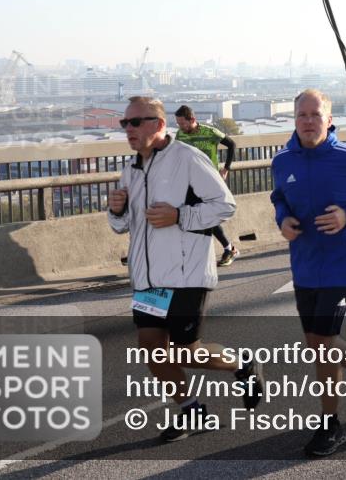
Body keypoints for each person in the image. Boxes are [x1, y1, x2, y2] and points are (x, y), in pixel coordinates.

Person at [108, 96, 263, 443]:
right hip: (148, 278)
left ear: (159, 124)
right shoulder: (130, 169)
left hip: (187, 274)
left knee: (183, 351)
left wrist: (180, 215)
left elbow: (225, 205)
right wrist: (116, 211)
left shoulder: (187, 158)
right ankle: (193, 410)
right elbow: (123, 227)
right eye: (125, 124)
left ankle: (242, 367)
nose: (128, 129)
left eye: (136, 122)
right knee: (150, 348)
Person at [270, 89, 346, 456]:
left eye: (315, 114)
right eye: (302, 115)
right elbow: (278, 198)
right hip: (304, 264)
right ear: (294, 119)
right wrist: (283, 220)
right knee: (317, 346)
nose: (308, 121)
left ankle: (330, 425)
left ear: (329, 119)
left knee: (322, 341)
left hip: (342, 262)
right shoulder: (282, 160)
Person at [174, 105, 241, 266]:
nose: (180, 127)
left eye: (183, 123)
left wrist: (226, 169)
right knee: (189, 216)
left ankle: (227, 249)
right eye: (178, 124)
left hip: (208, 182)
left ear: (193, 120)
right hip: (189, 182)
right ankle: (226, 248)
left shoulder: (210, 132)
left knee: (204, 216)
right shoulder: (180, 134)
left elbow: (231, 145)